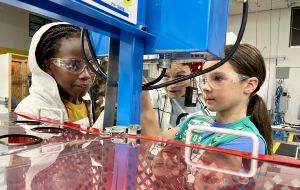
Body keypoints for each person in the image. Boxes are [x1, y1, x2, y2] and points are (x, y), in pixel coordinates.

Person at [141, 43, 272, 154]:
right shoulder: (194, 122)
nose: (205, 87)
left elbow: (203, 181)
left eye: (218, 78)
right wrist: (144, 100)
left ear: (249, 85)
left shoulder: (246, 140)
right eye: (204, 79)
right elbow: (153, 146)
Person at [15, 22, 103, 128]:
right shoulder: (31, 110)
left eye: (91, 65)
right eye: (73, 65)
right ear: (47, 66)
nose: (86, 75)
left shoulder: (86, 101)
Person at [149, 63, 207, 131]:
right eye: (165, 75)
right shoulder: (151, 95)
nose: (172, 85)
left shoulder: (206, 90)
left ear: (192, 72)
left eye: (179, 76)